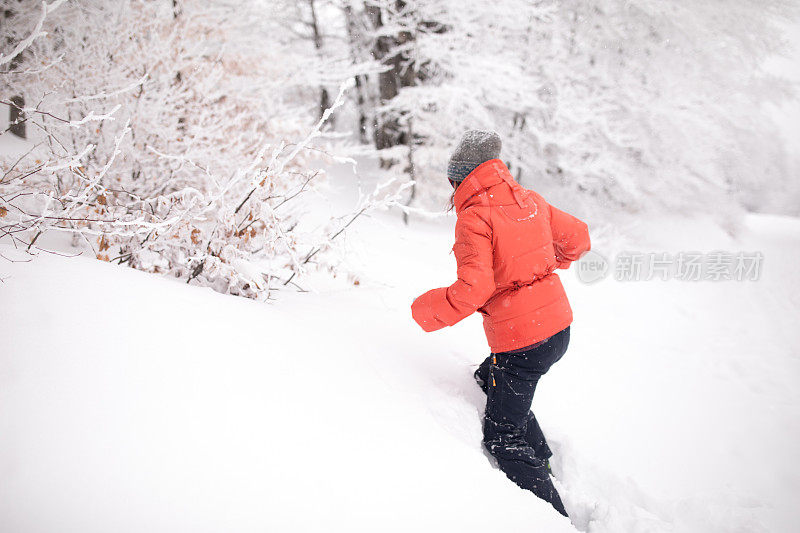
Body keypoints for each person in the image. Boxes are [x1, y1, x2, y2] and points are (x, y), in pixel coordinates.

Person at [410, 130, 590, 517]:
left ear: (459, 179)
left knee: (502, 435)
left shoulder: (474, 218)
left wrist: (424, 310)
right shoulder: (529, 200)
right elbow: (578, 238)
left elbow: (473, 289)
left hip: (524, 343)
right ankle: (543, 461)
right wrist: (539, 270)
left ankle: (554, 515)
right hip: (557, 328)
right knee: (488, 378)